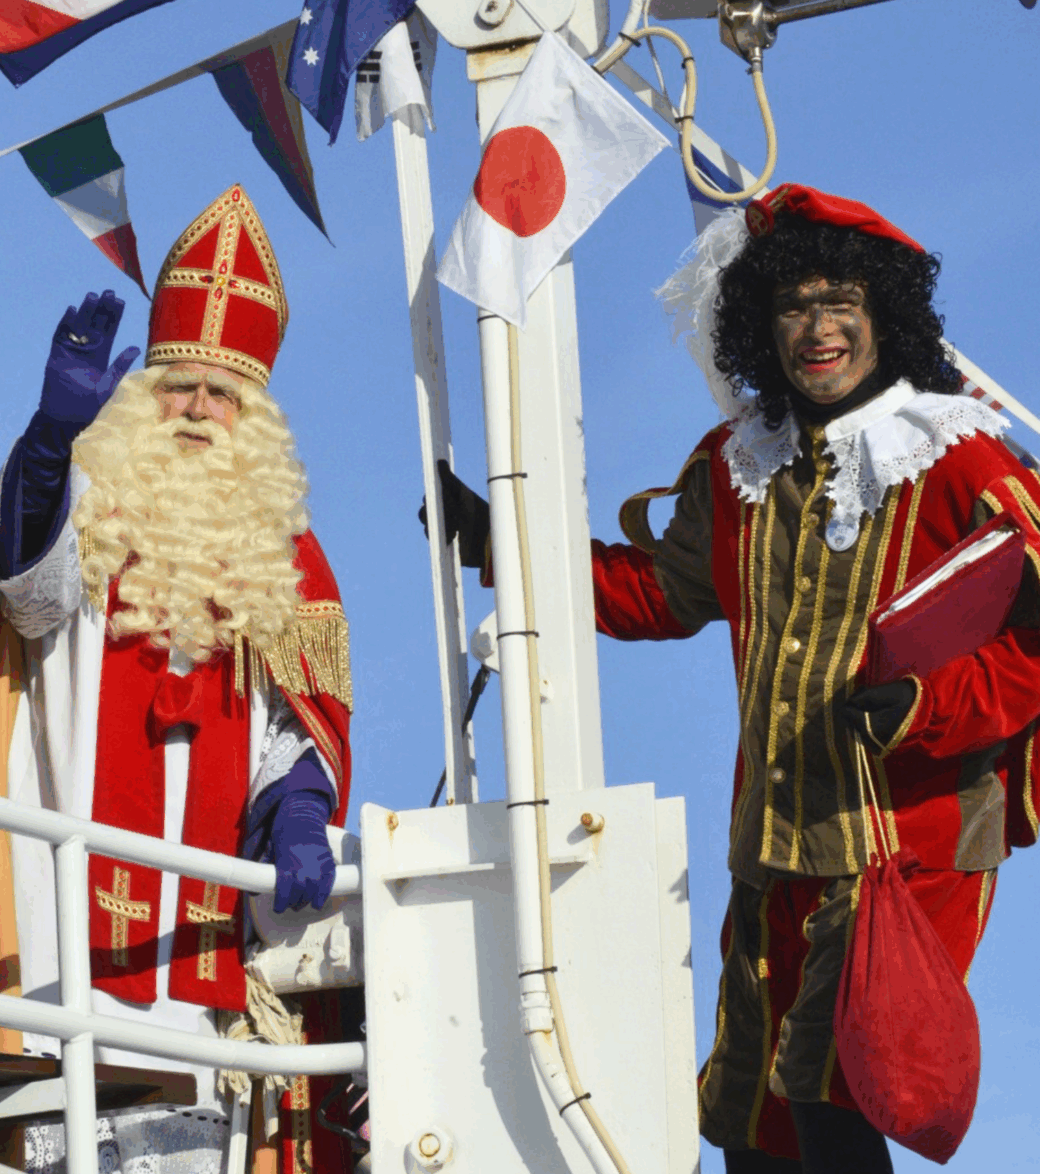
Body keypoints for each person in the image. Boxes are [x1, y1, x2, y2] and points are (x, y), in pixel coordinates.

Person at [429, 184, 1040, 1172]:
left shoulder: (950, 453)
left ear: (883, 311)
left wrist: (928, 705)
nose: (818, 327)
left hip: (910, 837)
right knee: (750, 1114)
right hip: (770, 841)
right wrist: (494, 539)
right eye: (792, 304)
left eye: (840, 298)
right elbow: (655, 596)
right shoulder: (734, 465)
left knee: (835, 1092)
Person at [0, 184, 353, 1174]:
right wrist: (48, 442)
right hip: (61, 926)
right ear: (141, 391)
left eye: (224, 394)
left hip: (199, 947)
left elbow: (290, 726)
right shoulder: (81, 494)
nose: (199, 410)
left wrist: (299, 806)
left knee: (192, 1143)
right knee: (58, 1137)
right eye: (180, 384)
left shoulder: (285, 554)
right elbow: (27, 597)